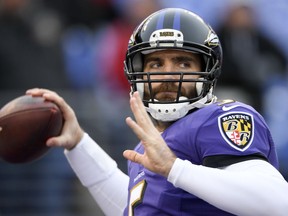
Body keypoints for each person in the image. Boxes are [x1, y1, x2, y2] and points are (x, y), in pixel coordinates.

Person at [26, 8, 288, 216]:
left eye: (183, 62)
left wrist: (174, 168)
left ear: (207, 70)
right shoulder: (150, 143)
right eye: (156, 63)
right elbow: (134, 207)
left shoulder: (219, 119)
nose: (168, 74)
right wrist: (78, 144)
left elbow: (278, 203)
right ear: (138, 72)